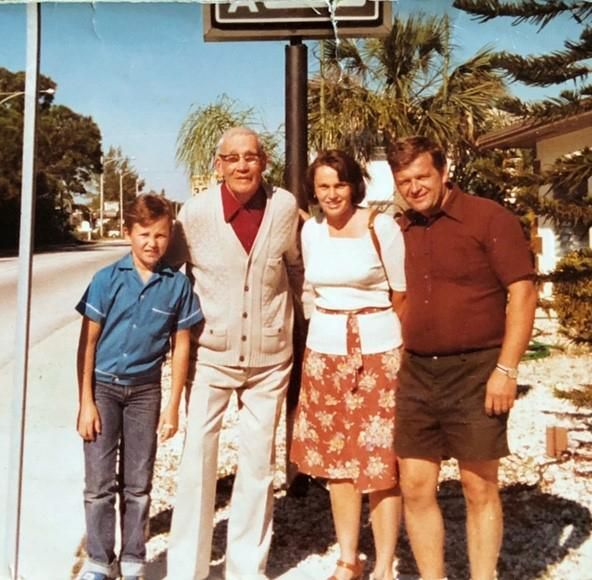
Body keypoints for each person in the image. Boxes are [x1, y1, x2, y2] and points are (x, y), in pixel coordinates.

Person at [386, 136, 537, 580]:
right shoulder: (399, 229)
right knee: (415, 486)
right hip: (416, 372)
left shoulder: (488, 217)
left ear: (444, 171)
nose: (414, 188)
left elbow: (523, 293)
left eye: (422, 177)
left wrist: (506, 369)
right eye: (404, 181)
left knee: (478, 485)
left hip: (478, 370)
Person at [166, 127, 303, 579]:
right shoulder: (196, 213)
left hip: (270, 358)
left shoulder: (284, 207)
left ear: (264, 162)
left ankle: (246, 568)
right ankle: (187, 569)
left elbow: (296, 268)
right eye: (233, 158)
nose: (242, 166)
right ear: (218, 164)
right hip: (210, 355)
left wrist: (306, 325)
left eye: (251, 157)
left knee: (258, 466)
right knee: (197, 464)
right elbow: (168, 272)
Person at [291, 150, 406, 580]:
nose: (332, 194)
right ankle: (348, 558)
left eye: (339, 184)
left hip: (378, 354)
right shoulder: (312, 231)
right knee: (337, 461)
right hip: (325, 354)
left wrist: (383, 340)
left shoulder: (381, 226)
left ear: (354, 186)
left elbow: (402, 293)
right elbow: (310, 291)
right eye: (323, 186)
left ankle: (384, 565)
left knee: (379, 460)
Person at [75, 194, 203, 580]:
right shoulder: (106, 280)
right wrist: (86, 402)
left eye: (160, 235)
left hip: (146, 393)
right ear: (128, 232)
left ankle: (133, 559)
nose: (152, 243)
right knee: (99, 483)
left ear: (170, 237)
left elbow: (181, 347)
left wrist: (173, 405)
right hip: (103, 389)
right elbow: (87, 344)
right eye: (144, 234)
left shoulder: (177, 286)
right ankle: (99, 560)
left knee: (138, 483)